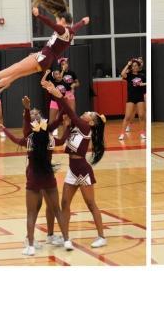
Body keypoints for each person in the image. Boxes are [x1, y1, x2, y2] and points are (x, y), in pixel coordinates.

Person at [0, 0, 89, 95]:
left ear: (62, 20)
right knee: (15, 74)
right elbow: (77, 26)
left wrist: (38, 15)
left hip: (43, 56)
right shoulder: (71, 32)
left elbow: (50, 24)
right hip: (46, 61)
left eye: (58, 19)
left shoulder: (62, 30)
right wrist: (83, 21)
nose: (56, 21)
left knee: (15, 68)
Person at [0, 96, 68, 254]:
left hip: (41, 173)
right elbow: (19, 135)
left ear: (42, 118)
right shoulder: (31, 135)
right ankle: (36, 239)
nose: (34, 115)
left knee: (44, 207)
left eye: (37, 113)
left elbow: (57, 124)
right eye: (32, 114)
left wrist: (63, 104)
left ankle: (44, 238)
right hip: (39, 174)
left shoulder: (44, 134)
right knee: (38, 207)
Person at [42, 79, 108, 248]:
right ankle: (66, 238)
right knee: (65, 203)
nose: (86, 112)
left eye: (90, 113)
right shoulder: (74, 127)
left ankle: (102, 237)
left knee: (91, 204)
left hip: (83, 170)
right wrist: (54, 94)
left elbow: (70, 111)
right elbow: (65, 115)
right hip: (72, 169)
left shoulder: (86, 128)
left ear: (91, 122)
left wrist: (58, 94)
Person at [119, 58, 147, 141]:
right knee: (127, 116)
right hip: (131, 97)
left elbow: (146, 83)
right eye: (133, 66)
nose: (135, 67)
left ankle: (142, 133)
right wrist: (128, 64)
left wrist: (143, 84)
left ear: (138, 67)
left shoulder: (142, 75)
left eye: (136, 65)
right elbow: (122, 74)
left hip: (140, 97)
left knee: (141, 116)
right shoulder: (129, 75)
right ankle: (122, 134)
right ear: (131, 67)